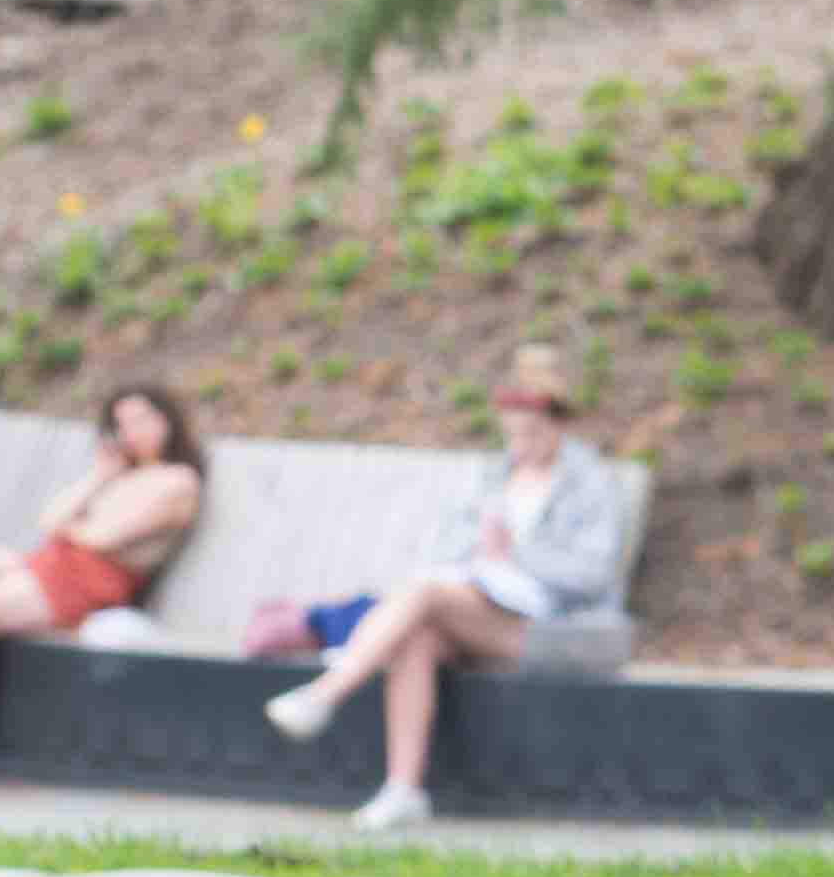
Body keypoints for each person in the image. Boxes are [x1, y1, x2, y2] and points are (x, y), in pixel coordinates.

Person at [259, 342, 636, 832]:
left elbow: (593, 573)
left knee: (424, 595)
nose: (520, 445)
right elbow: (453, 549)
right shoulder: (498, 474)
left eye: (532, 434)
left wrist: (514, 554)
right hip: (481, 605)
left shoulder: (590, 482)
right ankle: (403, 791)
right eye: (512, 433)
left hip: (554, 627)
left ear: (559, 425)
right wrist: (478, 559)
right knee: (417, 635)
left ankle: (327, 692)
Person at [0, 382, 205, 797]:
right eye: (122, 423)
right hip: (55, 563)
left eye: (141, 419)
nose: (132, 432)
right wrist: (98, 478)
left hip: (92, 582)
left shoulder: (178, 481)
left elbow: (103, 538)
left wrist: (75, 525)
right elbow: (49, 520)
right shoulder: (118, 475)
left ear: (167, 420)